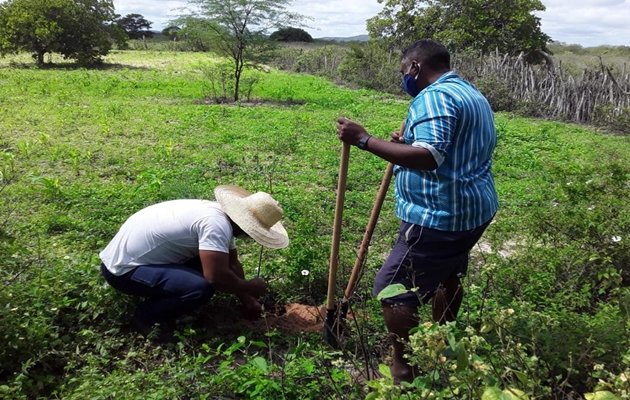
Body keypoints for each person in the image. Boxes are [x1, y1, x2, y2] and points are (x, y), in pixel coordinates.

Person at [336, 39, 499, 383]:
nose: (404, 78)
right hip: (472, 209)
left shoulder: (434, 97)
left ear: (415, 67)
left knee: (392, 287)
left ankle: (404, 368)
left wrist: (363, 139)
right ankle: (442, 343)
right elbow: (453, 143)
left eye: (403, 71)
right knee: (448, 274)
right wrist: (406, 141)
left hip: (438, 214)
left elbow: (429, 156)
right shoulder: (469, 93)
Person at [99, 185, 289, 343]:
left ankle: (165, 296)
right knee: (200, 287)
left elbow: (232, 264)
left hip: (135, 259)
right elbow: (216, 277)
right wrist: (249, 286)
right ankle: (146, 318)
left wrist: (248, 299)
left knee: (212, 264)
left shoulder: (220, 216)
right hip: (123, 270)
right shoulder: (216, 226)